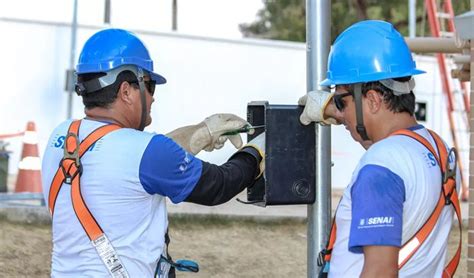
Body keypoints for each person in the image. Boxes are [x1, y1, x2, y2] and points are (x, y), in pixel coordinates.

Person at [41, 28, 264, 277]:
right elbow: (220, 184)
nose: (153, 98)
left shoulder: (60, 136)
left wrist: (198, 133)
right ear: (126, 91)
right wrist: (257, 150)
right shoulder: (146, 152)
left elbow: (124, 162)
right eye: (149, 86)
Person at [298, 20, 460, 277]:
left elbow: (379, 272)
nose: (341, 111)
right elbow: (389, 146)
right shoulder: (437, 150)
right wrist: (336, 110)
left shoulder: (380, 167)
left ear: (373, 100)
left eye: (341, 100)